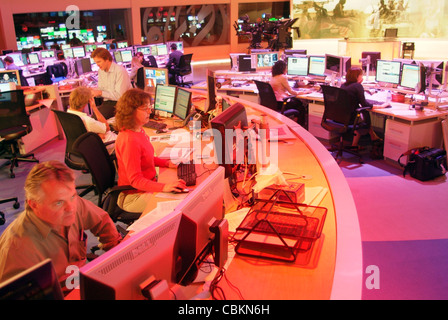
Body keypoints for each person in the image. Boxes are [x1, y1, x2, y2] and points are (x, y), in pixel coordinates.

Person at [0, 160, 121, 286]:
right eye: (58, 203)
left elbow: (102, 221)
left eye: (73, 196)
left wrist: (118, 256)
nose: (71, 209)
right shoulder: (16, 249)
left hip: (79, 280)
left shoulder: (72, 203)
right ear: (34, 204)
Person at [114, 88, 187, 213]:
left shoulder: (138, 129)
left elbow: (145, 157)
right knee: (181, 204)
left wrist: (166, 163)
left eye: (150, 107)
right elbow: (135, 180)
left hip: (146, 185)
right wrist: (164, 187)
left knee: (182, 193)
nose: (149, 111)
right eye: (144, 109)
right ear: (130, 111)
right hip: (133, 196)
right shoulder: (129, 140)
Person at [340, 67, 390, 148]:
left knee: (364, 113)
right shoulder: (357, 86)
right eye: (361, 75)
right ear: (357, 76)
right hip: (352, 118)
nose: (362, 77)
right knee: (365, 113)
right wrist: (381, 106)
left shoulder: (343, 85)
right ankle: (355, 145)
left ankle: (373, 136)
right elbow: (364, 104)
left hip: (342, 117)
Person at [67, 86, 117, 153]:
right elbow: (107, 127)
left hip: (82, 148)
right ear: (87, 102)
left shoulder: (68, 115)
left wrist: (96, 133)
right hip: (108, 145)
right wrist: (94, 107)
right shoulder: (88, 121)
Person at [90, 47, 132, 119]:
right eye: (96, 62)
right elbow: (102, 89)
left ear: (107, 59)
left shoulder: (120, 71)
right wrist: (94, 91)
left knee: (95, 119)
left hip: (121, 103)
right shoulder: (101, 71)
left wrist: (100, 93)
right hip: (108, 102)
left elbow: (119, 96)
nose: (97, 65)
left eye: (99, 62)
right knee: (92, 119)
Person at [269, 60, 309, 128]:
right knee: (301, 105)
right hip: (283, 102)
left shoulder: (273, 77)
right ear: (283, 68)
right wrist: (303, 92)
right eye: (286, 68)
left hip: (276, 102)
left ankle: (295, 124)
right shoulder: (283, 77)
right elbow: (292, 92)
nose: (286, 70)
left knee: (297, 102)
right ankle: (301, 127)